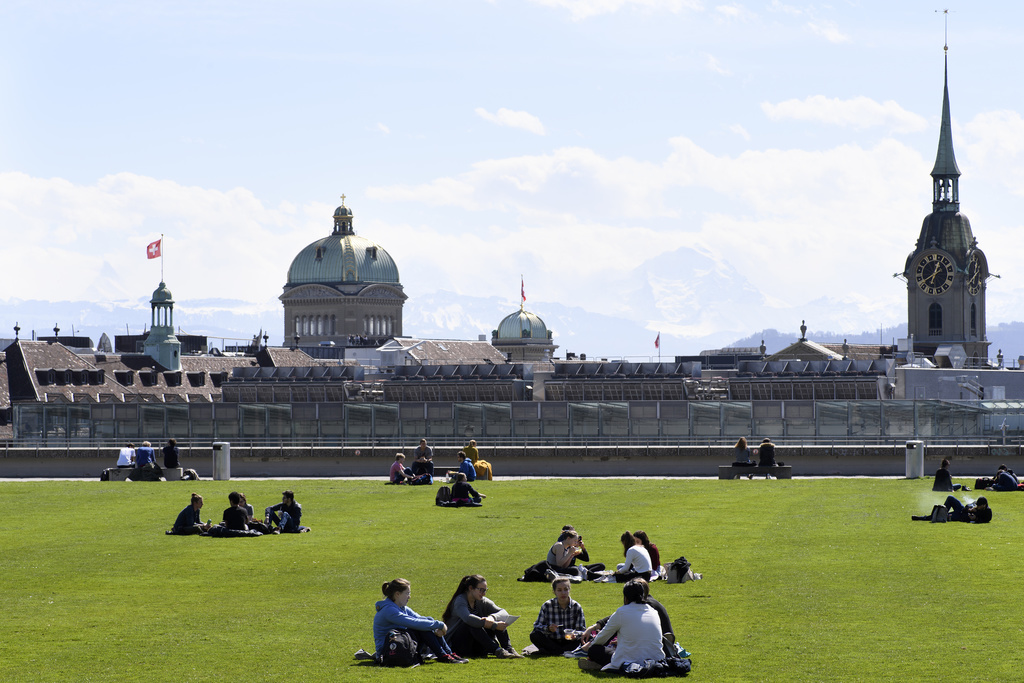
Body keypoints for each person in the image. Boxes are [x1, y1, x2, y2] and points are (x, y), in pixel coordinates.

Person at [373, 578, 467, 664]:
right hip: (388, 651)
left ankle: (448, 654)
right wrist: (440, 625)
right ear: (397, 594)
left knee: (427, 622)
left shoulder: (401, 607)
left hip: (400, 644)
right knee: (422, 627)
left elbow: (421, 619)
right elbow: (413, 623)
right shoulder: (389, 610)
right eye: (407, 593)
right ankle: (443, 656)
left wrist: (435, 627)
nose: (409, 596)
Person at [581, 579, 665, 670]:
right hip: (656, 659)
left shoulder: (622, 612)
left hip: (630, 661)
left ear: (626, 597)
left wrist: (590, 645)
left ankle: (599, 664)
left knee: (594, 650)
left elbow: (603, 636)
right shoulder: (653, 612)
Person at [442, 574, 523, 659]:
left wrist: (492, 618)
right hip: (458, 646)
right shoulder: (460, 600)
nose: (483, 594)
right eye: (481, 590)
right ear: (470, 588)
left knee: (499, 621)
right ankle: (498, 651)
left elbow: (503, 612)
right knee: (473, 623)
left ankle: (508, 649)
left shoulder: (481, 601)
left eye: (485, 590)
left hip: (476, 644)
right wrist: (493, 625)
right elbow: (468, 618)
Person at [529, 578, 586, 655]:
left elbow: (582, 630)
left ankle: (552, 652)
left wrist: (575, 635)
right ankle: (561, 651)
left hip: (570, 642)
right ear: (554, 591)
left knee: (585, 638)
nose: (563, 593)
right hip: (552, 640)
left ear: (569, 590)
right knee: (534, 635)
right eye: (559, 590)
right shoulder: (547, 606)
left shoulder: (576, 606)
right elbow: (537, 626)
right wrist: (548, 628)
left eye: (566, 589)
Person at [913, 496, 992, 523]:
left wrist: (976, 519)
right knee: (950, 498)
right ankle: (942, 511)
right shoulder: (976, 506)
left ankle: (923, 518)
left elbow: (985, 520)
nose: (977, 507)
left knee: (942, 517)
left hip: (960, 516)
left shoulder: (987, 512)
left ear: (984, 505)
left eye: (979, 506)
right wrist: (970, 510)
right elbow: (966, 507)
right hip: (961, 510)